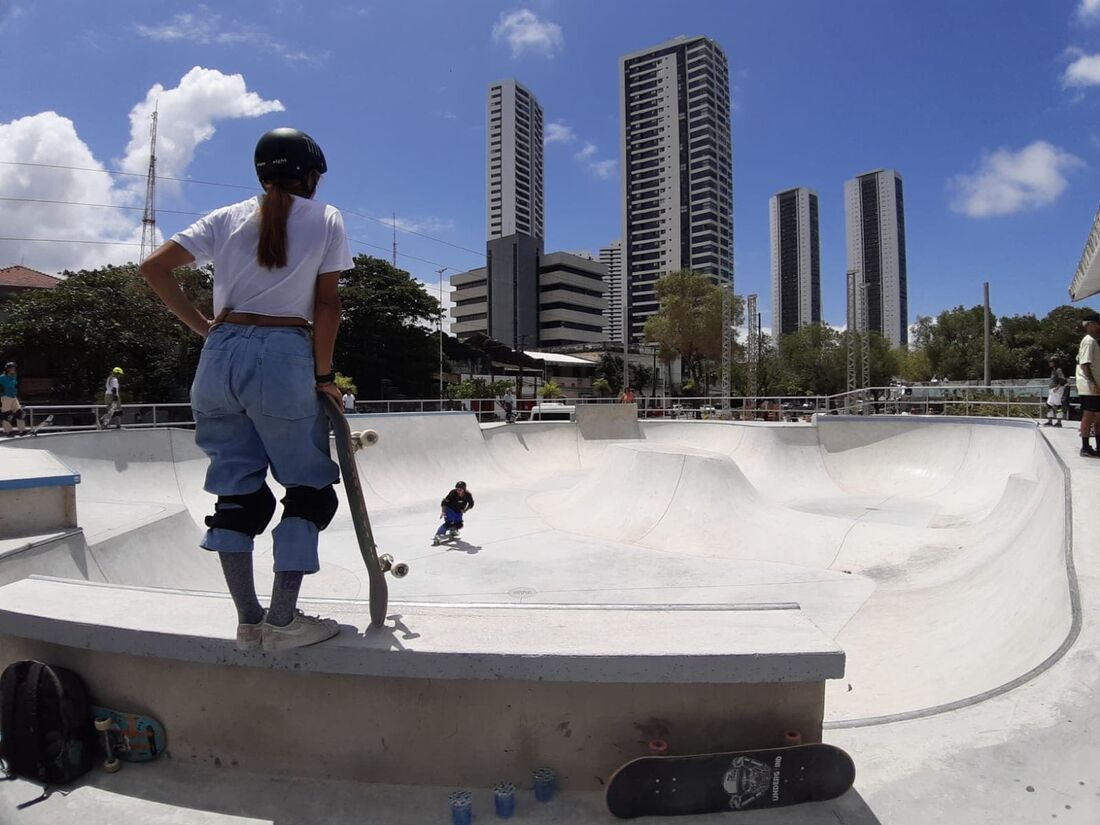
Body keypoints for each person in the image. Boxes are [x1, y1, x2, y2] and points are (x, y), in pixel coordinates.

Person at [138, 127, 353, 652]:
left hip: (219, 356)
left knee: (235, 492)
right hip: (283, 355)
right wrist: (323, 376)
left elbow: (153, 268)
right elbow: (328, 306)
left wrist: (204, 328)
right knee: (307, 488)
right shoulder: (325, 219)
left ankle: (247, 621)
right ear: (309, 175)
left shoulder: (226, 217)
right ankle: (283, 622)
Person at [1075, 313, 1100, 457]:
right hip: (1089, 385)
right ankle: (1085, 447)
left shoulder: (1094, 342)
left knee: (1097, 416)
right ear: (1092, 325)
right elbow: (1085, 364)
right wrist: (1093, 383)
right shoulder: (1089, 341)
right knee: (1089, 415)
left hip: (1094, 385)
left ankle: (1097, 446)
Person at [433, 481, 474, 545]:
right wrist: (443, 511)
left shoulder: (468, 495)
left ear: (464, 489)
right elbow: (444, 502)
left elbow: (471, 504)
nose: (458, 491)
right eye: (457, 489)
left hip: (459, 511)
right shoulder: (453, 492)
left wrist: (465, 510)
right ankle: (439, 534)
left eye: (460, 490)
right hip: (450, 509)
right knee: (449, 523)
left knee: (460, 525)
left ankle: (452, 530)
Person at [0, 362, 27, 437]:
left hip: (13, 397)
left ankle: (22, 431)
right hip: (4, 398)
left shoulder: (14, 376)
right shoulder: (2, 377)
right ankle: (8, 432)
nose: (13, 370)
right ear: (7, 369)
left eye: (14, 368)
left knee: (20, 414)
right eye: (11, 368)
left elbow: (15, 386)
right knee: (7, 416)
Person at [1045, 356, 1067, 428]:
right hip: (1052, 390)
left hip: (1057, 389)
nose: (1049, 363)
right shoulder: (1054, 370)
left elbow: (1063, 380)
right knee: (1049, 405)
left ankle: (1059, 422)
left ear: (1055, 362)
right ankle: (1050, 421)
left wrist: (1057, 387)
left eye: (1051, 362)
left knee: (1058, 406)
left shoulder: (1058, 370)